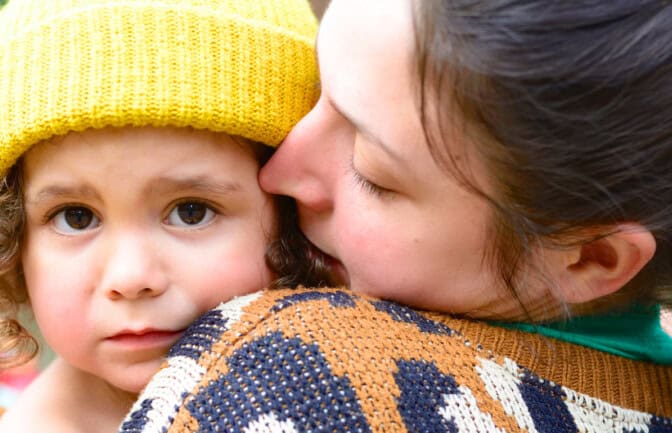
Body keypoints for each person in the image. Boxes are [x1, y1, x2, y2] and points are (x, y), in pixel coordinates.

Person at [121, 0, 672, 431]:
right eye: (315, 91)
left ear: (588, 259)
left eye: (371, 173)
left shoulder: (292, 374)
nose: (278, 171)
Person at [0, 0, 324, 432]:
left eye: (191, 211)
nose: (131, 278)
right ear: (11, 245)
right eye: (75, 217)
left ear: (294, 214)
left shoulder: (370, 382)